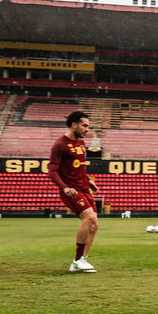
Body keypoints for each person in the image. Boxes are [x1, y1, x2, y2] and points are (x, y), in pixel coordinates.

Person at [48, 110, 100, 273]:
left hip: (84, 188)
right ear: (74, 124)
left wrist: (89, 181)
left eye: (88, 126)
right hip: (71, 190)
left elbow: (80, 167)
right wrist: (65, 187)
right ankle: (77, 260)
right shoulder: (60, 145)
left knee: (94, 225)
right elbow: (52, 170)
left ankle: (81, 260)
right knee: (89, 217)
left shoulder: (81, 143)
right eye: (85, 126)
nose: (87, 129)